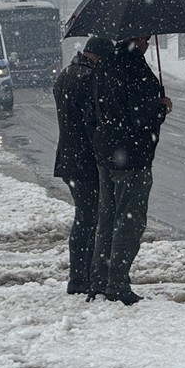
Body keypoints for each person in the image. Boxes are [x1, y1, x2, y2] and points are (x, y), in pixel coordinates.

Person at [88, 36, 172, 305]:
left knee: (108, 218)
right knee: (129, 221)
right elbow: (139, 115)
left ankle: (98, 281)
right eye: (145, 37)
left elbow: (97, 109)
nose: (148, 42)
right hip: (132, 156)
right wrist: (160, 108)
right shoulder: (134, 68)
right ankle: (117, 284)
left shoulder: (105, 65)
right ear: (134, 38)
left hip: (106, 152)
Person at [52, 36, 115, 296]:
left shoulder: (66, 74)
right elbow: (93, 122)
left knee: (85, 217)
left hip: (70, 158)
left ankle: (82, 274)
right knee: (88, 219)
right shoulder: (87, 79)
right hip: (85, 160)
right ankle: (80, 277)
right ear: (97, 56)